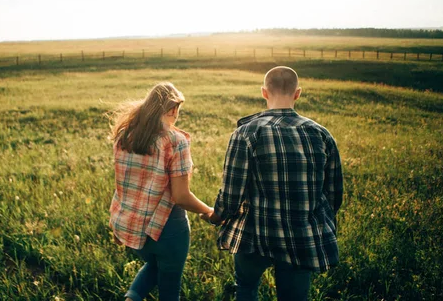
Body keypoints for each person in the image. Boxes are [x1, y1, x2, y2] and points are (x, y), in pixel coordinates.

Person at [202, 66, 343, 301]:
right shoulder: (321, 134)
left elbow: (231, 194)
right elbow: (334, 193)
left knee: (246, 288)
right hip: (301, 237)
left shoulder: (246, 133)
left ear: (264, 92)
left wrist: (216, 217)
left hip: (254, 235)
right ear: (297, 93)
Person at [109, 82, 213, 301]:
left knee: (154, 265)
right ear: (173, 109)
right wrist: (208, 211)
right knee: (169, 287)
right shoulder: (175, 141)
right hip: (167, 229)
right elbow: (181, 197)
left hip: (131, 227)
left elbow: (122, 185)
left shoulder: (125, 136)